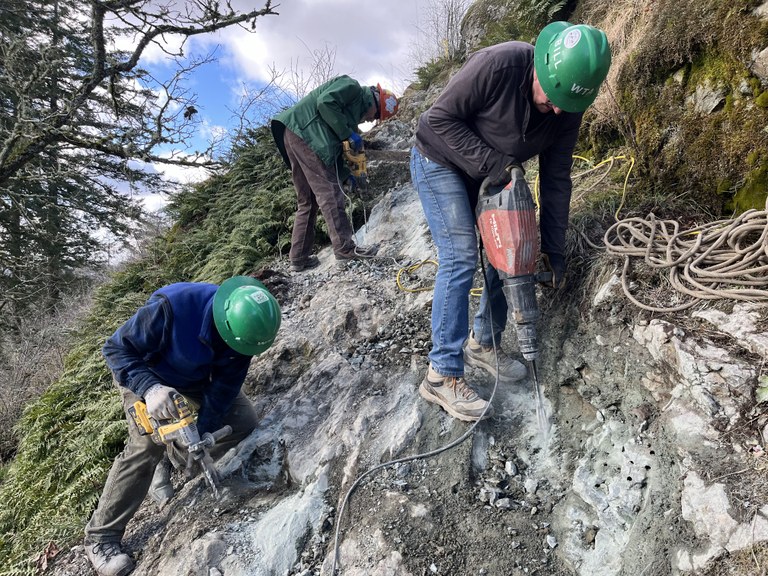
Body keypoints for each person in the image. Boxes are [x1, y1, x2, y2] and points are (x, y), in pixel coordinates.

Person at [410, 22, 611, 421]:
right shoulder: (498, 64)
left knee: (514, 254)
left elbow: (556, 180)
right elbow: (435, 122)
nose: (555, 110)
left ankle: (483, 343)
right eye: (551, 99)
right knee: (461, 254)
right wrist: (497, 165)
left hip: (492, 174)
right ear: (542, 65)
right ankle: (441, 374)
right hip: (440, 160)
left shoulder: (567, 107)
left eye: (565, 106)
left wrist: (553, 251)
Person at [84, 276, 281, 576]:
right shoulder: (173, 307)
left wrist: (201, 432)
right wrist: (150, 389)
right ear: (223, 320)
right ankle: (101, 537)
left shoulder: (244, 336)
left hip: (195, 381)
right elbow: (116, 350)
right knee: (146, 445)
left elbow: (224, 389)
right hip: (146, 378)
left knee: (244, 421)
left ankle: (174, 456)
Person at [271, 75, 399, 272]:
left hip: (293, 132)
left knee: (308, 200)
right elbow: (325, 103)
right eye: (375, 116)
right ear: (375, 101)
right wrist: (348, 134)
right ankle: (345, 249)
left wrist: (347, 175)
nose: (370, 120)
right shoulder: (352, 87)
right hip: (306, 133)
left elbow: (334, 152)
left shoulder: (346, 118)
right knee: (329, 194)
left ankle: (298, 257)